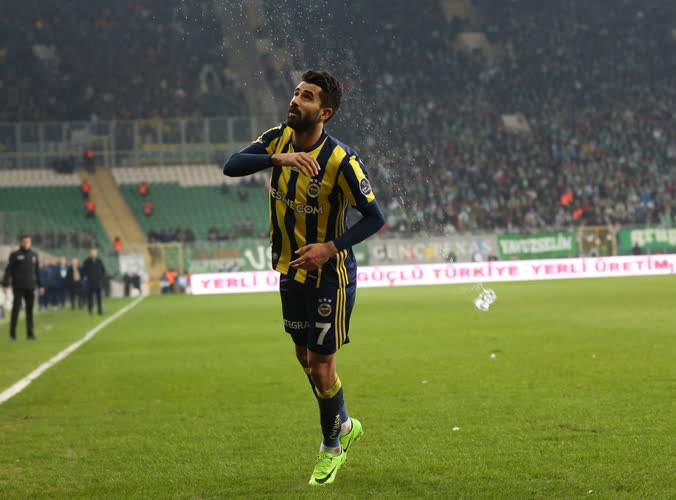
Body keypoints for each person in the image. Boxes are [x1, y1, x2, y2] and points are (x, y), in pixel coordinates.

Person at [223, 70, 385, 486]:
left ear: (324, 112)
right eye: (296, 93)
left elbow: (374, 218)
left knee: (322, 365)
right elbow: (231, 166)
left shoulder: (342, 161)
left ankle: (331, 449)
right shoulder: (277, 139)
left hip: (330, 276)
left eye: (307, 96)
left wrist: (329, 247)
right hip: (289, 270)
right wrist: (278, 159)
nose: (295, 100)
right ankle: (344, 424)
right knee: (305, 359)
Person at [1, 235, 44, 340]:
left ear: (30, 243)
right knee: (16, 309)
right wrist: (5, 284)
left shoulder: (34, 255)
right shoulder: (15, 255)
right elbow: (9, 270)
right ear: (21, 242)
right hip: (18, 286)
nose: (26, 243)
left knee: (29, 310)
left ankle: (30, 333)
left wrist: (40, 285)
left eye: (28, 242)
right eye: (24, 242)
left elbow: (37, 272)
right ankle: (12, 334)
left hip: (30, 286)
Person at [81, 248, 106, 315]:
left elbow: (103, 270)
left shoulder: (99, 261)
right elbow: (83, 271)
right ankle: (90, 311)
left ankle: (100, 311)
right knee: (90, 298)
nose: (94, 254)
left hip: (98, 282)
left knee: (99, 298)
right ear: (90, 254)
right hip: (90, 282)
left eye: (95, 253)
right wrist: (85, 279)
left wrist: (101, 277)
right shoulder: (87, 261)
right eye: (93, 253)